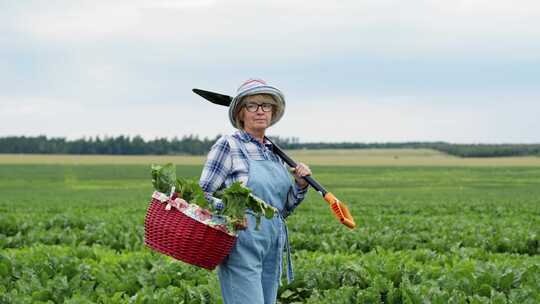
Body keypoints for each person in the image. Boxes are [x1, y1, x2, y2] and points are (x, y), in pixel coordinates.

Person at [199, 78, 311, 304]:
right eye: (252, 105)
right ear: (241, 113)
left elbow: (283, 208)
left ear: (272, 112)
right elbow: (203, 194)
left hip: (272, 240)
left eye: (266, 105)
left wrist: (300, 185)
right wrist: (231, 212)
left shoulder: (273, 153)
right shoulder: (228, 145)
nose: (260, 111)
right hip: (242, 239)